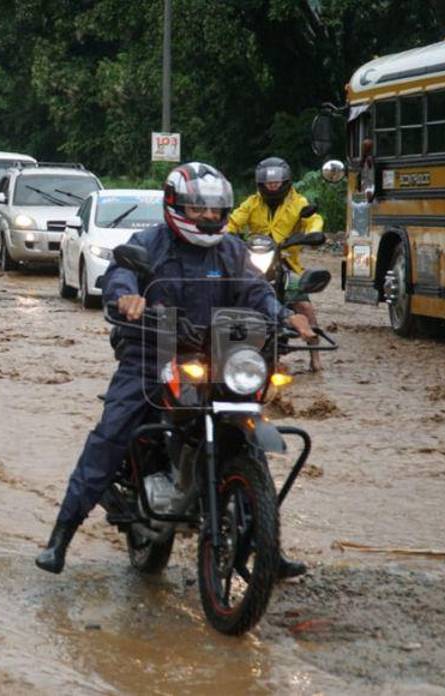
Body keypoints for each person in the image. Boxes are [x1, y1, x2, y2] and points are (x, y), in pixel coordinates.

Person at [34, 162, 316, 579]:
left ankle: (264, 545)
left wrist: (285, 315)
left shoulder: (232, 251)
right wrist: (127, 296)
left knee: (253, 441)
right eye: (198, 209)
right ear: (175, 206)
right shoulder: (148, 243)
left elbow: (255, 290)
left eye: (216, 210)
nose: (208, 217)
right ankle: (61, 535)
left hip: (217, 357)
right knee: (111, 434)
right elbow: (121, 273)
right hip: (153, 353)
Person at [226, 157, 326, 371]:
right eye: (268, 183)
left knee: (303, 303)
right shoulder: (251, 203)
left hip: (286, 262)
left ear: (285, 182)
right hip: (253, 261)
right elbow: (233, 221)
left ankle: (315, 354)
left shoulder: (298, 203)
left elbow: (313, 219)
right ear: (260, 185)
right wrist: (223, 233)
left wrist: (313, 233)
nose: (272, 186)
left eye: (276, 183)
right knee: (229, 290)